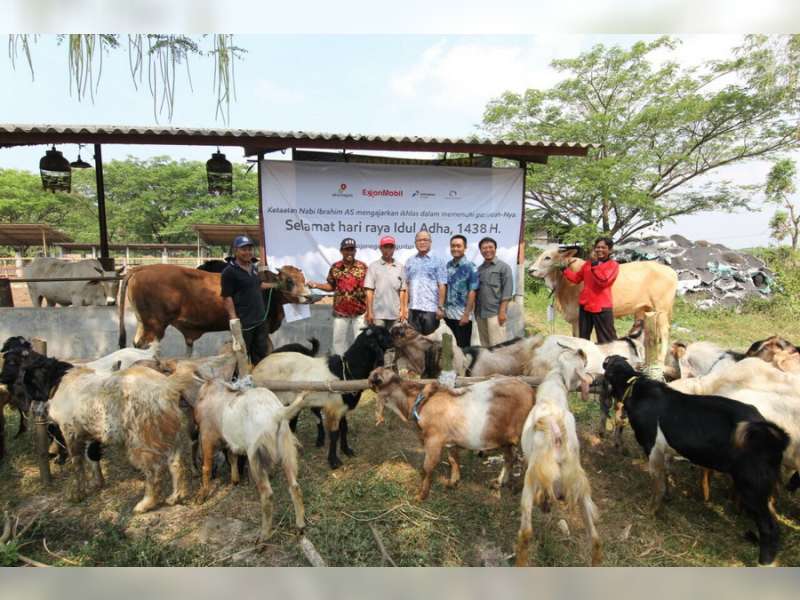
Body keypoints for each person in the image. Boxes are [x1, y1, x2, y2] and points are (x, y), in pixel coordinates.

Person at [307, 237, 368, 355]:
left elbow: (369, 288)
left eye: (352, 249)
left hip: (360, 311)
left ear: (355, 251)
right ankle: (341, 366)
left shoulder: (363, 267)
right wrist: (315, 285)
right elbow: (331, 286)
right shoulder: (335, 267)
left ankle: (359, 367)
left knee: (361, 341)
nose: (349, 252)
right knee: (338, 342)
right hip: (341, 311)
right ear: (341, 251)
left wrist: (371, 310)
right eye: (347, 249)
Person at [221, 235, 272, 365]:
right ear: (236, 251)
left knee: (261, 353)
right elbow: (227, 296)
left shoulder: (253, 268)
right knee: (242, 355)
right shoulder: (229, 272)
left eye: (250, 249)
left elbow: (259, 285)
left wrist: (277, 286)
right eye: (243, 249)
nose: (248, 252)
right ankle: (240, 382)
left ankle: (258, 379)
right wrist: (233, 319)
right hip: (244, 322)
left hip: (260, 319)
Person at [562, 236, 619, 343]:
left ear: (610, 250)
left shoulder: (613, 265)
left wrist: (594, 265)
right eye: (597, 247)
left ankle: (611, 359)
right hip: (585, 307)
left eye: (603, 248)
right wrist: (565, 270)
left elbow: (603, 282)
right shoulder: (588, 264)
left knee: (606, 340)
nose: (599, 250)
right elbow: (576, 279)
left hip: (601, 308)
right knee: (583, 340)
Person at [404, 230, 447, 335]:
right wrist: (405, 307)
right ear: (415, 243)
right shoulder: (410, 261)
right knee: (413, 343)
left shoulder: (438, 260)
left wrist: (440, 307)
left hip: (431, 310)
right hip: (413, 309)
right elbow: (407, 285)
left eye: (425, 240)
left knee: (430, 344)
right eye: (419, 240)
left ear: (430, 242)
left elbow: (442, 285)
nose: (422, 242)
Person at [475, 237, 514, 347]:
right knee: (485, 346)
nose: (487, 250)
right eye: (484, 248)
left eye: (490, 247)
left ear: (495, 249)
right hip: (480, 314)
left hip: (495, 314)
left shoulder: (504, 267)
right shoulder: (479, 269)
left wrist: (502, 312)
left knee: (498, 347)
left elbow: (507, 292)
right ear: (481, 250)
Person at [364, 235, 407, 330]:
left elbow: (402, 290)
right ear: (380, 248)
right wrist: (370, 312)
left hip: (396, 315)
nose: (388, 249)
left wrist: (403, 310)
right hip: (378, 315)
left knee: (395, 342)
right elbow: (369, 291)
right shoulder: (373, 266)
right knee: (378, 343)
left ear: (394, 248)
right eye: (385, 247)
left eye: (390, 247)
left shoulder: (400, 267)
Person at [443, 234, 479, 348]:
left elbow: (472, 291)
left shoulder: (470, 267)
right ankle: (448, 366)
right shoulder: (448, 265)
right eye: (453, 246)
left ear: (465, 248)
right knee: (448, 346)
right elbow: (445, 287)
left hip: (462, 315)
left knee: (463, 347)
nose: (455, 249)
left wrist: (466, 314)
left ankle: (463, 366)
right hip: (448, 314)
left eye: (458, 246)